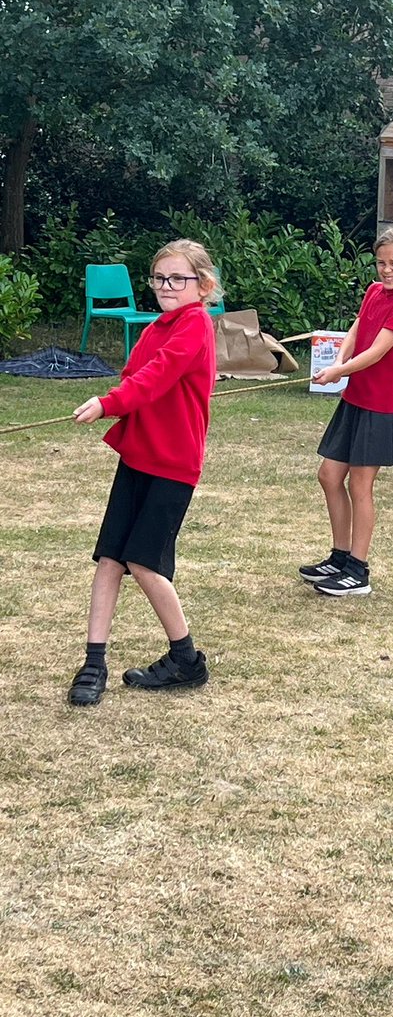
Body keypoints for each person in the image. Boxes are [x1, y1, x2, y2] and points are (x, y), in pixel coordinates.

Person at [67, 239, 220, 706]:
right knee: (111, 558)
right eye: (159, 278)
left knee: (143, 560)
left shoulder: (194, 326)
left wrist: (108, 404)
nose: (166, 286)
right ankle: (94, 661)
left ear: (203, 284)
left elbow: (157, 378)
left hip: (173, 465)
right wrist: (119, 395)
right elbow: (138, 373)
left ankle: (186, 660)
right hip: (138, 456)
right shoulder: (160, 326)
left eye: (178, 278)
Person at [300, 225, 393, 596]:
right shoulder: (375, 291)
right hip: (356, 399)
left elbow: (378, 352)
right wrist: (340, 357)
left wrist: (339, 370)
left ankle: (358, 571)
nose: (386, 270)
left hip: (381, 406)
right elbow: (358, 329)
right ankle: (339, 557)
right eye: (381, 263)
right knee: (328, 476)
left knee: (360, 485)